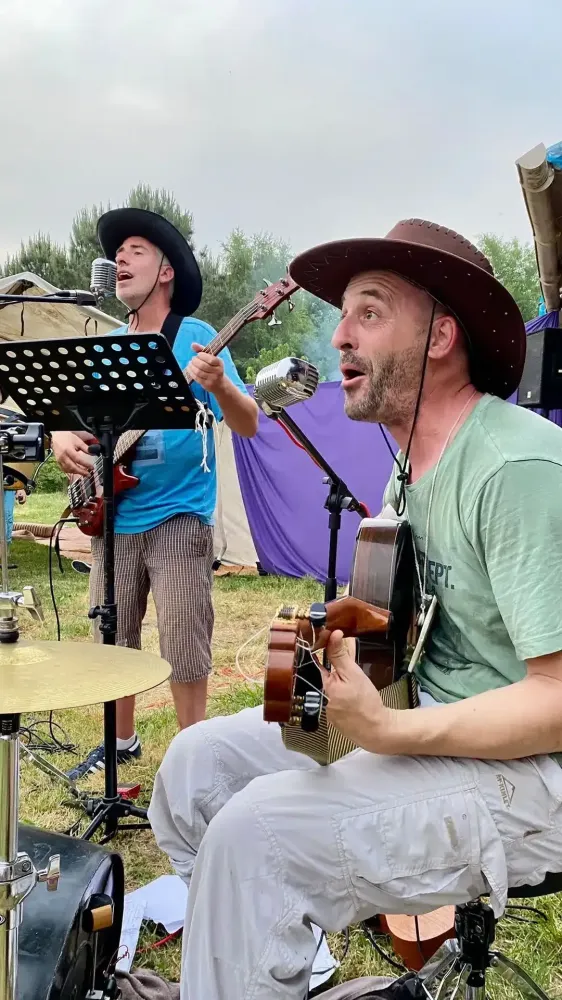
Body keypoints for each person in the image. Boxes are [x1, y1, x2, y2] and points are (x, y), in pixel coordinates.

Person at [148, 218, 562, 1000]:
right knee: (193, 767)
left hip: (535, 774)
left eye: (369, 312)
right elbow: (422, 616)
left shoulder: (516, 466)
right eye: (342, 315)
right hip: (435, 712)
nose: (339, 336)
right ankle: (259, 965)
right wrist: (360, 623)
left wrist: (389, 729)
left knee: (255, 835)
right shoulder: (408, 469)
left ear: (441, 335)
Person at [51, 208, 258, 780]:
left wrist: (219, 386)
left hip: (179, 515)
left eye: (136, 250)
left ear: (166, 270)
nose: (120, 259)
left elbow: (248, 424)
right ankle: (120, 744)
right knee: (110, 637)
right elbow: (73, 420)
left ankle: (193, 760)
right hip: (113, 514)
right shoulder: (109, 345)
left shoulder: (195, 338)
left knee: (185, 642)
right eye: (119, 253)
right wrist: (61, 435)